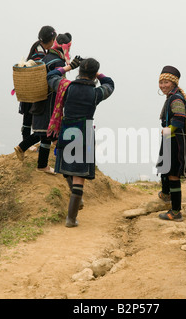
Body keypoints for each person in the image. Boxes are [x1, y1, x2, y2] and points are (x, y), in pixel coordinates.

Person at [46, 58, 114, 227]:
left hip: (67, 129)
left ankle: (74, 212)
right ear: (94, 77)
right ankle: (71, 219)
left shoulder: (66, 88)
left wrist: (69, 66)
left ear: (78, 72)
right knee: (79, 177)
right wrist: (97, 72)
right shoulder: (96, 93)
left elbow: (51, 75)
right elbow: (110, 84)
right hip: (85, 132)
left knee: (67, 168)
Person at [14, 32, 75, 174]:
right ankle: (32, 156)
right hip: (50, 101)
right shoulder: (58, 62)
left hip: (40, 99)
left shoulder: (46, 57)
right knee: (45, 131)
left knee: (45, 132)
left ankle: (37, 160)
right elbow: (57, 83)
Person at [156, 66, 186, 222]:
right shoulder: (172, 96)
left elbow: (179, 119)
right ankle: (166, 194)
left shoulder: (176, 98)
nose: (163, 85)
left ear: (173, 83)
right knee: (165, 168)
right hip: (171, 138)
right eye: (161, 82)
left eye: (166, 82)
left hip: (176, 140)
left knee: (173, 174)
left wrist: (168, 130)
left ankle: (176, 211)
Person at [17, 26, 56, 143]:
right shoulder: (40, 54)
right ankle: (24, 144)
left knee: (28, 118)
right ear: (50, 40)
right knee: (29, 118)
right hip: (33, 88)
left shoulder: (39, 48)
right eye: (53, 40)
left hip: (29, 88)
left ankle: (25, 143)